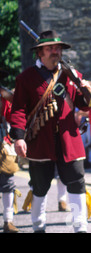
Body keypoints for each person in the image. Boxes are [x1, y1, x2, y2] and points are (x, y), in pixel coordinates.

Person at [10, 31, 91, 233]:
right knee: (39, 187)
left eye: (58, 48)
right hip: (40, 140)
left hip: (69, 139)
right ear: (40, 53)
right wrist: (19, 138)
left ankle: (80, 226)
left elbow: (84, 105)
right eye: (50, 48)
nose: (56, 52)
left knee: (77, 184)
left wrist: (86, 90)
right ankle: (38, 226)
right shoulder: (26, 78)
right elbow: (19, 110)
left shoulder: (71, 74)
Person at [0, 69, 19, 233]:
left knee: (7, 183)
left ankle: (8, 221)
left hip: (2, 145)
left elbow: (12, 115)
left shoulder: (3, 96)